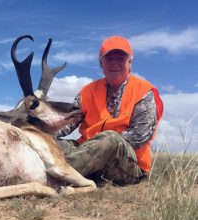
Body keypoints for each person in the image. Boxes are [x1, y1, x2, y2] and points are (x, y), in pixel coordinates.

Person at [57, 36, 163, 185]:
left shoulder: (143, 91)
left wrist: (96, 146)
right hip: (88, 154)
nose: (115, 64)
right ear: (101, 63)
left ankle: (54, 177)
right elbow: (65, 123)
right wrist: (41, 132)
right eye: (109, 59)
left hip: (129, 165)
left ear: (130, 63)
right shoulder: (87, 92)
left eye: (120, 59)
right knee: (51, 143)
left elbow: (140, 135)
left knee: (110, 139)